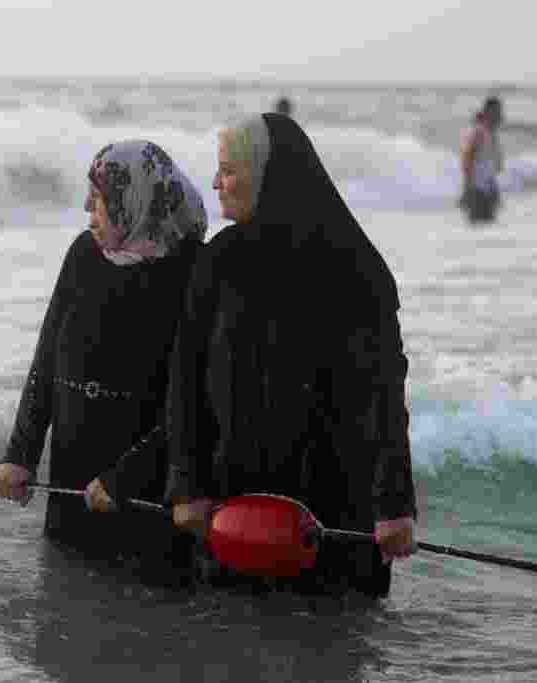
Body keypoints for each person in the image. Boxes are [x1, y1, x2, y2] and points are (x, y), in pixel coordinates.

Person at [164, 113, 417, 601]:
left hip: (334, 514)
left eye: (229, 170)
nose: (215, 183)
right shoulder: (219, 262)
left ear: (269, 172)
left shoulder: (356, 266)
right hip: (236, 509)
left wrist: (395, 505)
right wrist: (186, 484)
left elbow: (386, 392)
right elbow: (185, 382)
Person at [0, 141, 207, 581]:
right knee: (62, 613)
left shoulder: (195, 270)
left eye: (101, 195)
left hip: (148, 494)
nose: (87, 204)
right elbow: (47, 357)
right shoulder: (83, 254)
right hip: (74, 474)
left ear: (136, 199)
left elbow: (198, 400)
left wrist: (126, 477)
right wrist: (21, 453)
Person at [459, 97, 504, 224]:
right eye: (498, 112)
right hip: (477, 192)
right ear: (489, 112)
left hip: (486, 191)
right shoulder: (479, 132)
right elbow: (467, 161)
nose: (501, 116)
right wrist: (467, 189)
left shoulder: (491, 133)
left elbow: (489, 166)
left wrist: (494, 189)